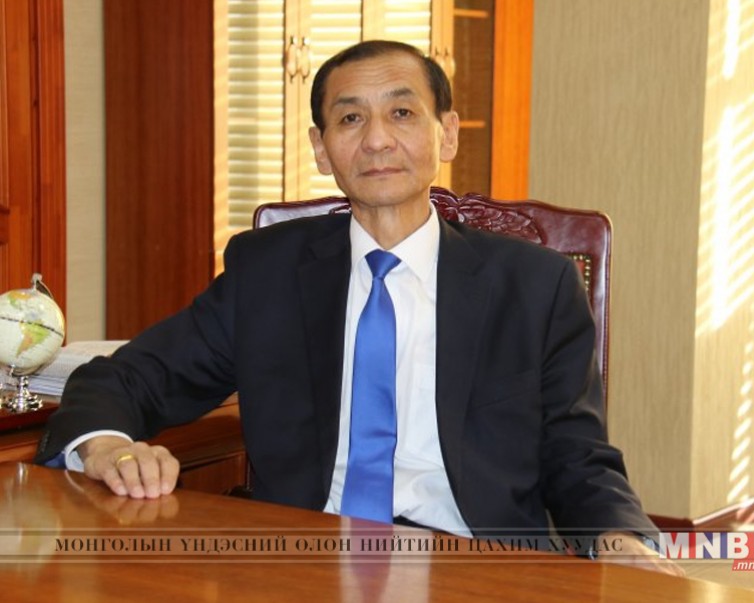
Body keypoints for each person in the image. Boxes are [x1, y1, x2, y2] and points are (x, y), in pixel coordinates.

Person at [36, 40, 680, 575]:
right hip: (302, 562)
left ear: (447, 134)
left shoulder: (534, 285)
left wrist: (620, 539)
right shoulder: (268, 272)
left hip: (476, 564)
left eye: (402, 112)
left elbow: (576, 454)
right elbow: (128, 378)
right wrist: (107, 446)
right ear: (322, 149)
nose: (376, 140)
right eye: (350, 119)